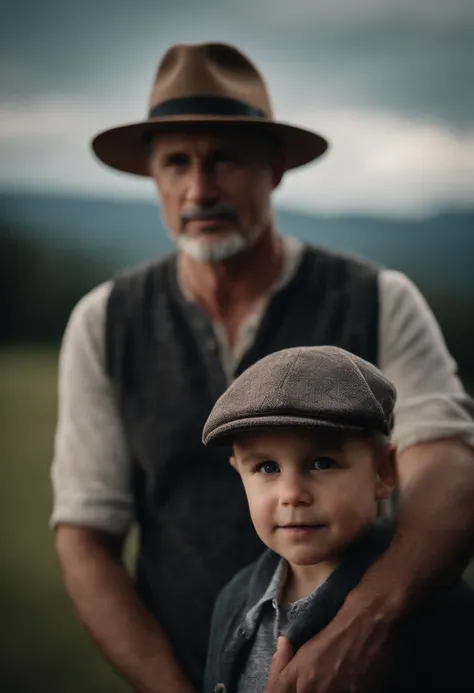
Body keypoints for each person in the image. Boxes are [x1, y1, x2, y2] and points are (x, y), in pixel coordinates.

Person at [50, 41, 474, 693]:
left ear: (275, 166)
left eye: (224, 159)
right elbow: (84, 536)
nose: (198, 188)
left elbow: (447, 470)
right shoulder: (103, 322)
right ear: (153, 177)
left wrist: (360, 630)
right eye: (176, 163)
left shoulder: (379, 299)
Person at [202, 345, 474, 693]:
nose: (292, 493)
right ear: (239, 473)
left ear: (383, 472)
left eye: (322, 463)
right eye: (267, 467)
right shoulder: (233, 599)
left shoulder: (430, 604)